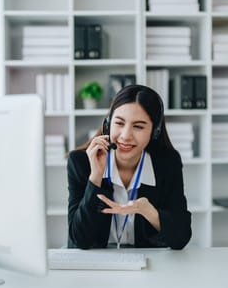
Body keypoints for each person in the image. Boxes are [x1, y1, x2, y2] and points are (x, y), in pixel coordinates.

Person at [67, 84, 192, 250]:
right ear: (108, 125)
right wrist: (95, 177)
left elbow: (181, 237)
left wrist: (148, 211)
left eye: (138, 126)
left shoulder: (167, 163)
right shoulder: (81, 162)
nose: (125, 136)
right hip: (96, 263)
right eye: (119, 123)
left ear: (154, 132)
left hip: (147, 263)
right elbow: (79, 240)